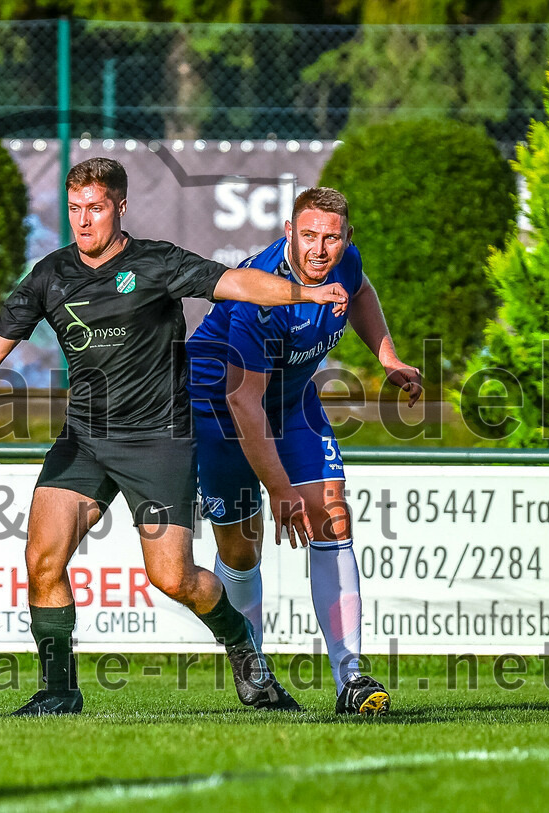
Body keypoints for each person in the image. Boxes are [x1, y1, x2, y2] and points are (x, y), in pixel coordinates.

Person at [0, 158, 349, 716]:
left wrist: (303, 295)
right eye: (74, 210)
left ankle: (249, 660)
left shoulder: (156, 262)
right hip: (85, 439)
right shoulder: (50, 275)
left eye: (95, 208)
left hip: (159, 440)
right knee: (43, 558)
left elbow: (234, 282)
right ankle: (58, 691)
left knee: (174, 578)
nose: (83, 221)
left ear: (120, 207)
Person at [187, 186, 422, 716]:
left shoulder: (345, 261)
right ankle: (257, 673)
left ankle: (352, 678)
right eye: (308, 235)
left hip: (291, 401)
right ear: (288, 232)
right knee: (241, 551)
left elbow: (359, 291)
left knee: (333, 518)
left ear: (346, 239)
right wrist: (280, 488)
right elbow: (243, 401)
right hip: (221, 411)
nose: (320, 249)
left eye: (331, 239)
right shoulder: (258, 297)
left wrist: (388, 358)